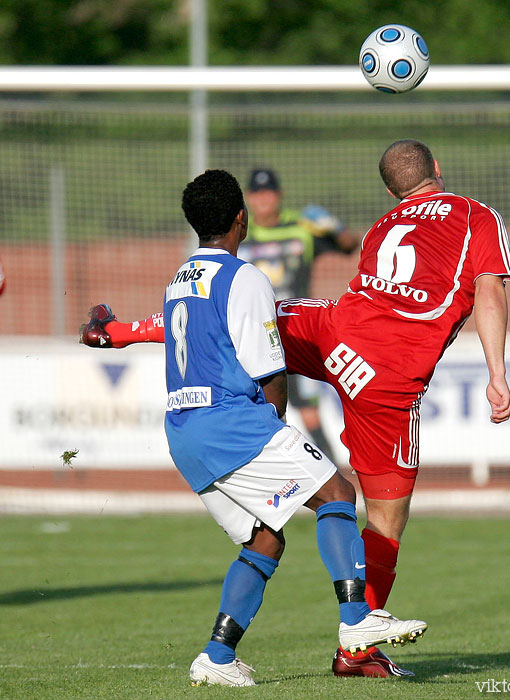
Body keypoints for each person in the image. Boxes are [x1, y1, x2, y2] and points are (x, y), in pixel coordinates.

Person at [81, 139, 510, 677]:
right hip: (387, 375)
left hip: (332, 333)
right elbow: (488, 292)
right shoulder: (476, 215)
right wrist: (497, 372)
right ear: (438, 171)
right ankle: (357, 637)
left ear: (390, 192)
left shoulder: (383, 227)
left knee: (265, 531)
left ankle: (219, 656)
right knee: (370, 511)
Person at [158, 168, 426, 686]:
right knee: (336, 492)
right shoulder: (246, 277)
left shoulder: (178, 279)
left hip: (183, 428)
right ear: (241, 219)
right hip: (230, 422)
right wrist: (273, 425)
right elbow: (269, 372)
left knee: (264, 540)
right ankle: (356, 623)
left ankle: (216, 659)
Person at [242, 167, 357, 460]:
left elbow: (349, 246)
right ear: (249, 198)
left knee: (308, 410)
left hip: (296, 333)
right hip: (254, 335)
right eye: (257, 193)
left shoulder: (301, 228)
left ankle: (333, 468)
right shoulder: (240, 234)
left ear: (279, 195)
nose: (264, 199)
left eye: (269, 192)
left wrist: (334, 225)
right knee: (256, 409)